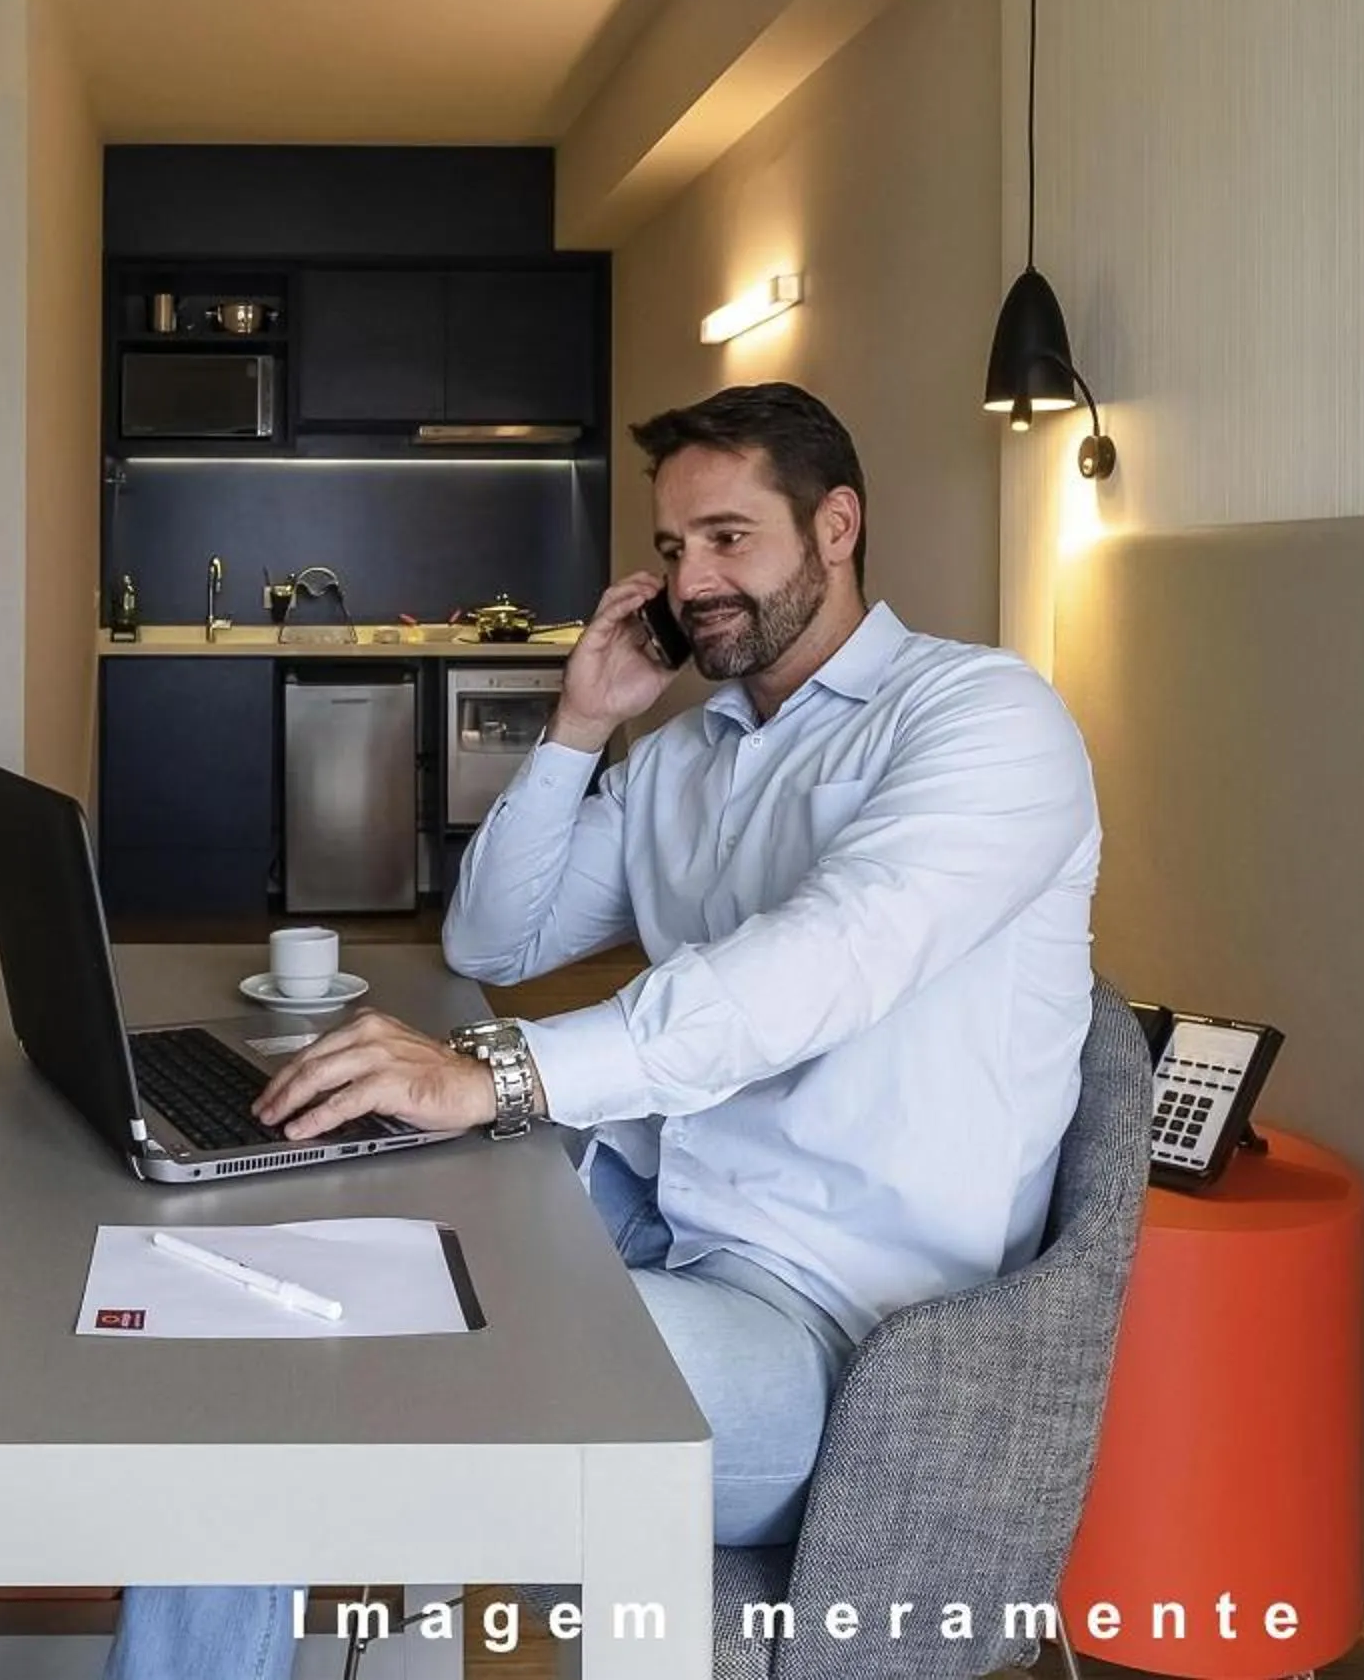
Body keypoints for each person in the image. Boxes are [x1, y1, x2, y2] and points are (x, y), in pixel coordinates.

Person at [104, 381, 1100, 1680]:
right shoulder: (692, 753)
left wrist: (499, 1072)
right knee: (274, 1276)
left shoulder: (984, 720)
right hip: (652, 1220)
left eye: (729, 537)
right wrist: (581, 721)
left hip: (843, 1341)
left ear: (837, 525)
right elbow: (492, 940)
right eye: (675, 548)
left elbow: (815, 965)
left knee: (296, 1378)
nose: (693, 582)